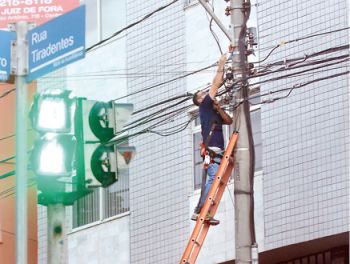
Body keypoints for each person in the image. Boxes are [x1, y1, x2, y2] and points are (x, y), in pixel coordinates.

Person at [191, 54, 233, 225]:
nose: (205, 94)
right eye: (203, 94)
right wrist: (222, 64)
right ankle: (200, 210)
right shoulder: (204, 106)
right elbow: (216, 83)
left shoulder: (211, 110)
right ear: (200, 100)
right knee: (212, 178)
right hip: (213, 149)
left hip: (216, 150)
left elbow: (228, 120)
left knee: (213, 178)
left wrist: (219, 108)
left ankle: (202, 210)